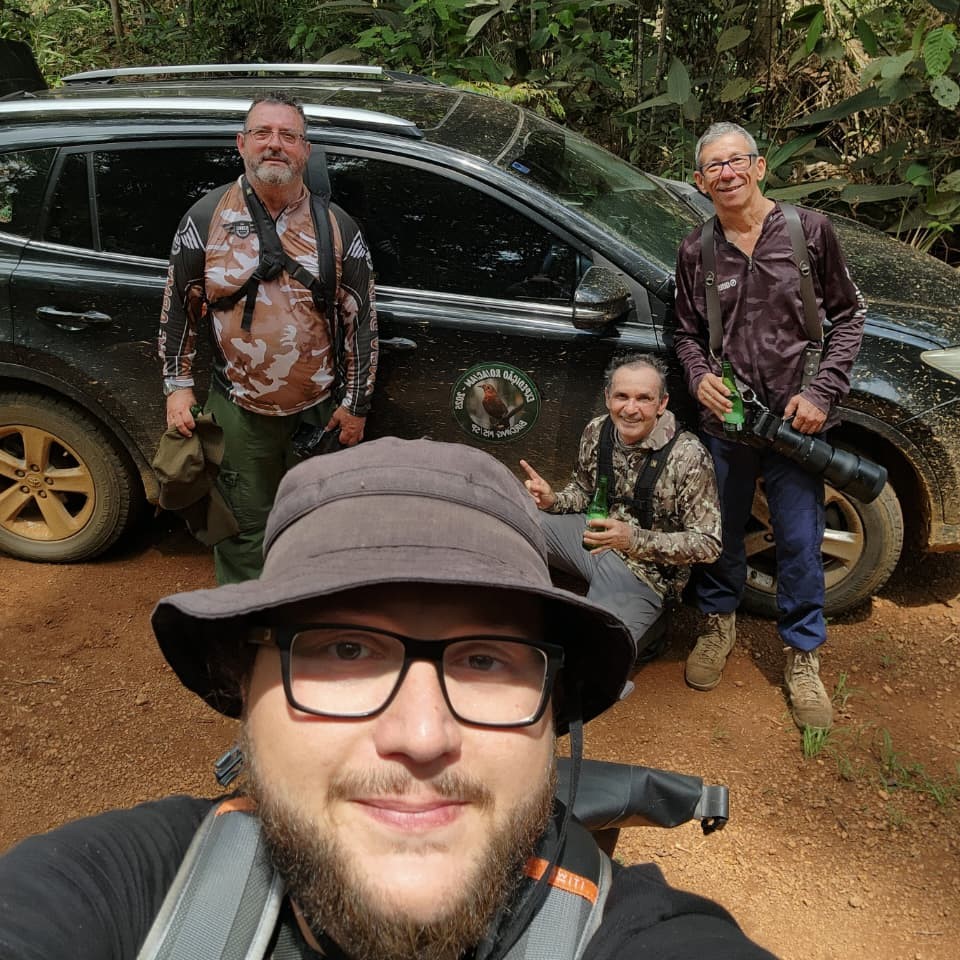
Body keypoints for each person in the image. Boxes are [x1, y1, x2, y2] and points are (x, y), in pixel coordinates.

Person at [0, 437, 777, 960]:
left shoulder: (645, 934)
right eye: (345, 649)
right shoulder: (118, 897)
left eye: (484, 658)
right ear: (243, 685)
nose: (422, 733)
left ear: (552, 710)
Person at [673, 121, 866, 729]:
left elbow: (849, 317)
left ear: (759, 167)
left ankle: (803, 655)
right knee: (719, 531)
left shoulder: (809, 232)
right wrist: (698, 373)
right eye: (713, 168)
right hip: (727, 421)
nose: (726, 174)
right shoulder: (695, 250)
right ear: (701, 183)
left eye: (736, 162)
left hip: (797, 421)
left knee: (801, 540)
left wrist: (822, 392)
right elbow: (682, 332)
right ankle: (716, 622)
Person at [158, 90, 377, 585]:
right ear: (242, 143)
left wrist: (357, 404)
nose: (274, 144)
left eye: (288, 135)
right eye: (262, 133)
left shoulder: (337, 227)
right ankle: (246, 631)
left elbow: (361, 319)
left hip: (320, 411)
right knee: (241, 531)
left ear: (305, 150)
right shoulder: (204, 219)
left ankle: (308, 620)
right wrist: (177, 387)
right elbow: (179, 309)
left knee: (319, 522)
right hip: (238, 410)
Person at [520, 353, 722, 665]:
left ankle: (650, 628)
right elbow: (584, 491)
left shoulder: (688, 456)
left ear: (662, 403)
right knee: (515, 520)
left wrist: (632, 539)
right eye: (622, 396)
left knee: (586, 656)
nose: (630, 409)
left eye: (644, 398)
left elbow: (708, 544)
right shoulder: (597, 431)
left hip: (644, 572)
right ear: (607, 398)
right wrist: (553, 500)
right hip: (592, 540)